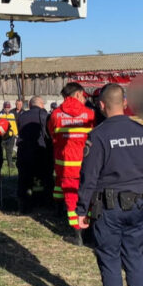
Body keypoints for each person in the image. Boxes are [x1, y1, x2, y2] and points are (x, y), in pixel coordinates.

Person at [77, 84, 143, 286]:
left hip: (108, 209)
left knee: (110, 260)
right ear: (124, 103)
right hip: (137, 207)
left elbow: (89, 177)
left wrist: (81, 209)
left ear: (101, 106)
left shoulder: (98, 135)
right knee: (135, 258)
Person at [48, 82, 95, 245]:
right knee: (87, 195)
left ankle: (77, 234)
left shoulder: (55, 114)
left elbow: (53, 136)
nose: (84, 99)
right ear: (78, 94)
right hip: (87, 164)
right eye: (83, 96)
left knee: (71, 197)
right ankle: (88, 230)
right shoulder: (90, 114)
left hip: (66, 165)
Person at [15, 96, 53, 213]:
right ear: (41, 104)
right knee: (44, 177)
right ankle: (43, 202)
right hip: (41, 152)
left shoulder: (21, 116)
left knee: (24, 179)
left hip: (24, 152)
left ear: (30, 105)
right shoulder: (45, 115)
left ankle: (24, 204)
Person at [0, 102, 17, 169]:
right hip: (2, 136)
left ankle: (10, 164)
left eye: (8, 108)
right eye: (6, 108)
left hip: (11, 136)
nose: (7, 109)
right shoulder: (0, 115)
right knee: (0, 151)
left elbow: (14, 125)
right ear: (3, 108)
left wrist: (15, 133)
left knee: (9, 151)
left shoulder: (12, 115)